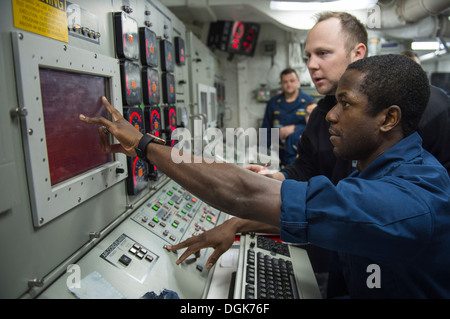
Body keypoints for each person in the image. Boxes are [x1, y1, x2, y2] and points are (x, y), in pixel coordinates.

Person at [79, 54, 450, 298]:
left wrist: (146, 145)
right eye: (335, 102)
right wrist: (238, 226)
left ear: (388, 119)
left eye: (346, 104)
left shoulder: (407, 202)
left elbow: (242, 191)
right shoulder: (373, 175)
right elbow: (321, 215)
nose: (332, 116)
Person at [261, 68, 315, 166]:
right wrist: (264, 151)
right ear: (281, 83)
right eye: (285, 82)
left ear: (298, 81)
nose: (288, 84)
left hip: (298, 151)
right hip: (277, 150)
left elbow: (315, 127)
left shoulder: (309, 102)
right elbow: (266, 127)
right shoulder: (273, 103)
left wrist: (296, 128)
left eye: (292, 81)